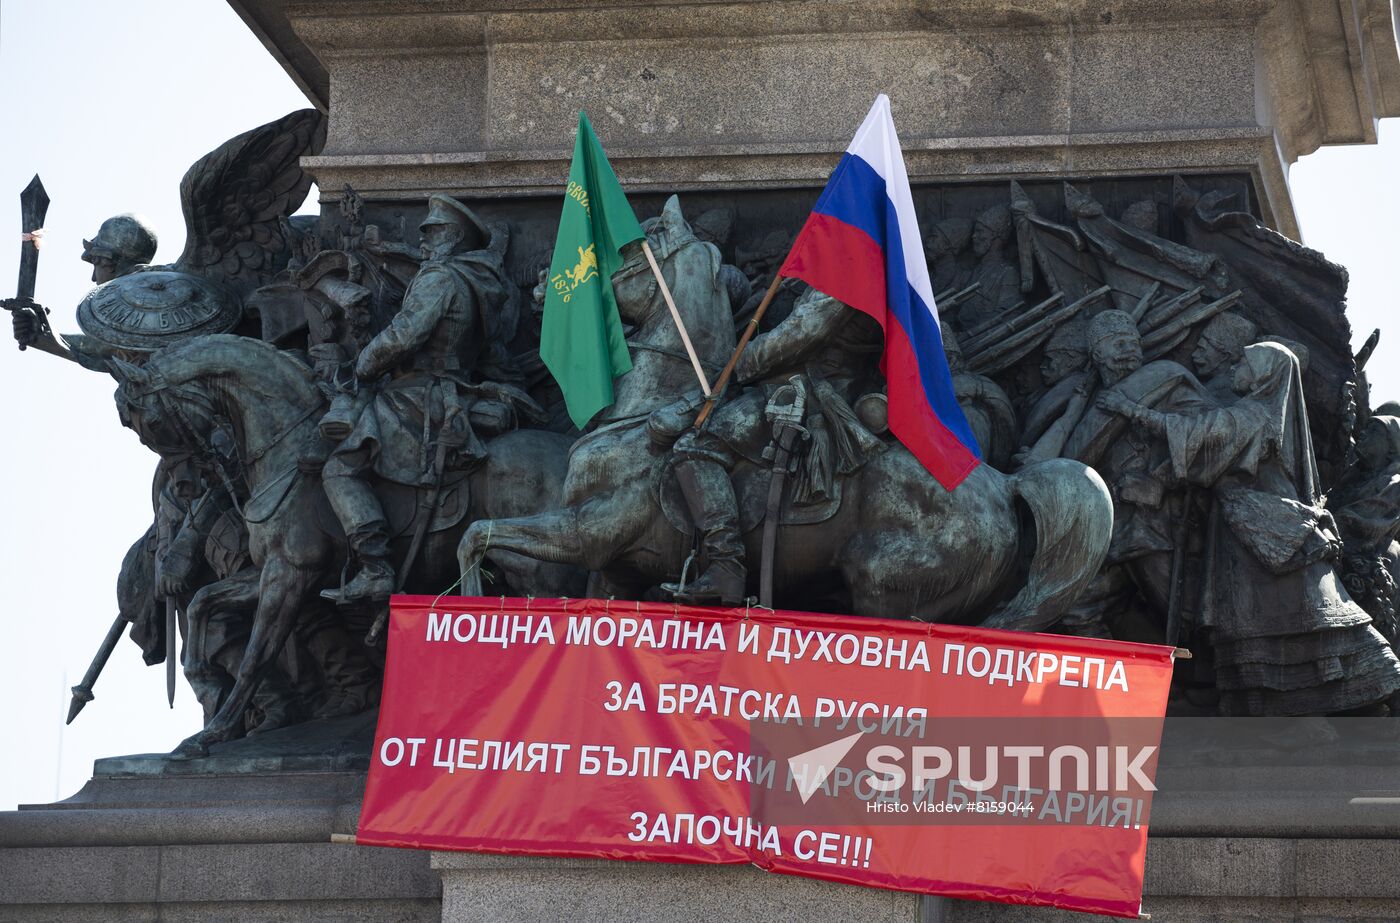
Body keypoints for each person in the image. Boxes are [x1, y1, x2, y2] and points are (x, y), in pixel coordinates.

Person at [1099, 343, 1400, 715]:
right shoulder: (1259, 412)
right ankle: (1257, 703)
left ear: (1264, 372)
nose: (1236, 366)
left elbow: (1198, 434)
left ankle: (1355, 697)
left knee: (1297, 621)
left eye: (1244, 361)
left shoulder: (1256, 415)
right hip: (1245, 531)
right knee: (1252, 624)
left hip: (1267, 534)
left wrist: (1131, 410)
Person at [320, 194, 507, 604]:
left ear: (453, 238)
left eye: (431, 232)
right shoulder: (483, 281)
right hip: (456, 387)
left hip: (420, 395)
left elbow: (405, 335)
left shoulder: (440, 277)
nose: (422, 242)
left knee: (339, 468)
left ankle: (374, 569)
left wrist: (361, 366)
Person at [656, 286, 885, 605]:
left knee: (695, 447)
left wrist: (738, 359)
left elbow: (797, 336)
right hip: (810, 383)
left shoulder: (844, 272)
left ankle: (726, 565)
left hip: (813, 393)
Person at [9, 214, 158, 368]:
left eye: (95, 264)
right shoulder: (148, 315)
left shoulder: (157, 301)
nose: (94, 278)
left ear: (108, 262)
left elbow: (120, 351)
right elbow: (117, 349)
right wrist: (42, 337)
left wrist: (45, 337)